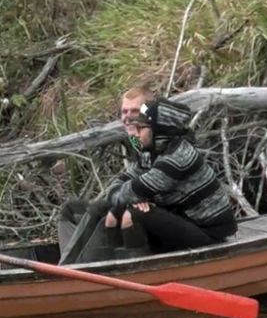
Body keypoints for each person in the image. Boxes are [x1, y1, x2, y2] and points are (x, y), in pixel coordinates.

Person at [101, 98, 237, 255]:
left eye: (141, 128)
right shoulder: (150, 154)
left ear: (160, 130)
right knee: (110, 213)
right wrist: (130, 198)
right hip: (183, 221)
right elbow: (113, 191)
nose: (135, 134)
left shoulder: (179, 157)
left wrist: (132, 199)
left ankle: (135, 271)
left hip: (209, 233)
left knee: (133, 215)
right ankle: (104, 267)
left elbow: (132, 192)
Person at [58, 86, 154, 264]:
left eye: (134, 111)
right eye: (124, 111)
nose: (128, 117)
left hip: (151, 213)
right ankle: (70, 264)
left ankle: (72, 270)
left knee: (103, 211)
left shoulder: (156, 138)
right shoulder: (136, 141)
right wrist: (123, 194)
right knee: (71, 209)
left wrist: (135, 196)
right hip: (132, 200)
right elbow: (127, 178)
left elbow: (160, 182)